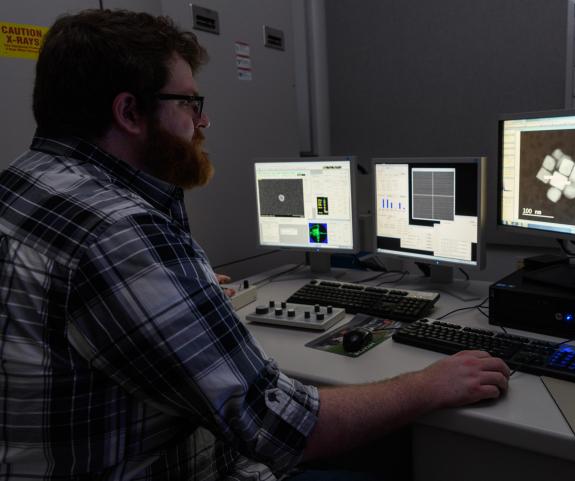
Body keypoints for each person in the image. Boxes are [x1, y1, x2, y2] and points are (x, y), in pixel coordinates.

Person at [0, 9, 510, 481]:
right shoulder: (119, 231)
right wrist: (428, 384)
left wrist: (182, 293)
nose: (203, 122)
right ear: (130, 112)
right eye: (189, 104)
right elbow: (281, 425)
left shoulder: (21, 187)